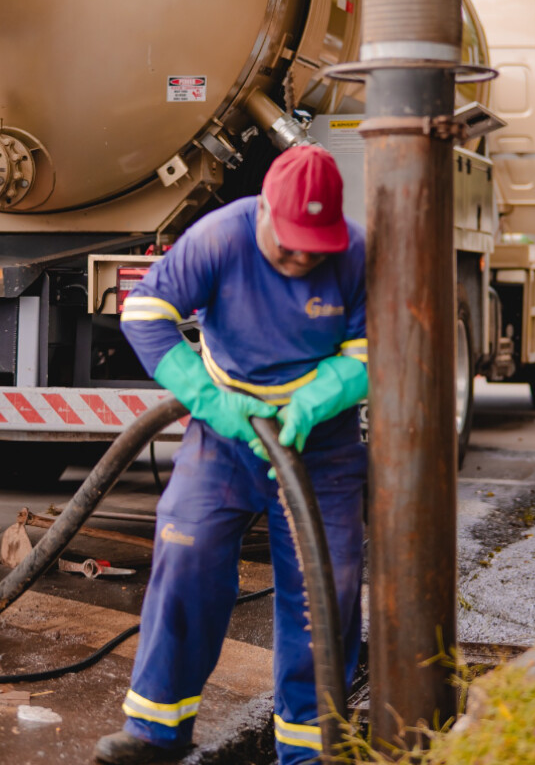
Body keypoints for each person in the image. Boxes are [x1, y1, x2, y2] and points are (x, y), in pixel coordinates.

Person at [102, 144, 368, 764]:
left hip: (318, 443)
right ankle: (155, 731)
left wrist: (319, 398)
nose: (303, 255)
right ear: (265, 214)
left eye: (315, 244)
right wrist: (208, 401)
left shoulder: (355, 250)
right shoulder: (219, 237)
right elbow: (144, 312)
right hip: (225, 434)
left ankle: (309, 748)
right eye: (291, 241)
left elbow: (370, 348)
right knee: (185, 550)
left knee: (325, 586)